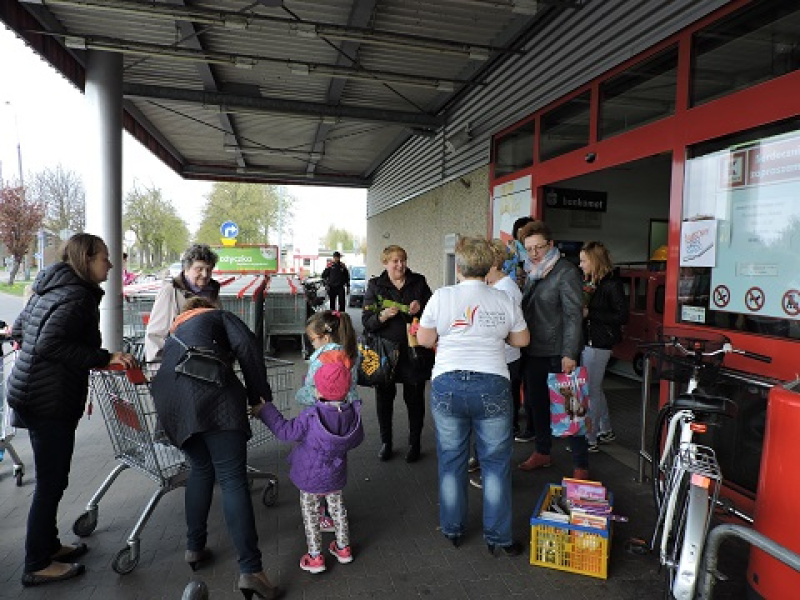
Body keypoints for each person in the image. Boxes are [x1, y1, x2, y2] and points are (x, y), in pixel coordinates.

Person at [7, 233, 137, 587]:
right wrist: (103, 357)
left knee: (52, 478)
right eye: (105, 257)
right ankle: (37, 563)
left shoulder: (49, 286)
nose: (111, 264)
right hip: (48, 400)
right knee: (51, 482)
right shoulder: (78, 296)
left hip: (30, 392)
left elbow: (20, 331)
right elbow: (49, 344)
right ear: (87, 259)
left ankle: (48, 545)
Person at [150, 297, 282, 600]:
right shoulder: (217, 316)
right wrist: (258, 396)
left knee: (199, 468)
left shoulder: (174, 332)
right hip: (213, 396)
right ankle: (252, 571)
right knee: (232, 478)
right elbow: (247, 344)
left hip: (171, 404)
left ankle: (194, 547)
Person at [416, 236, 529, 555]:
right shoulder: (502, 298)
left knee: (451, 460)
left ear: (459, 268)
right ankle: (499, 537)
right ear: (488, 266)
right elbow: (522, 340)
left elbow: (424, 339)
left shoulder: (442, 296)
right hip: (492, 383)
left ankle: (453, 529)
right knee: (495, 463)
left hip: (448, 383)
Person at [252, 354, 364, 574]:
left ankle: (315, 557)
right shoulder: (352, 414)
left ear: (319, 392)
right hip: (335, 474)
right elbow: (357, 439)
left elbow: (285, 432)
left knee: (311, 515)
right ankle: (343, 549)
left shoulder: (311, 416)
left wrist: (266, 410)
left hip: (310, 477)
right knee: (338, 509)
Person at [516, 220, 589, 479]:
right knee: (537, 406)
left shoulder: (565, 271)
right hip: (534, 350)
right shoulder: (531, 271)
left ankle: (580, 465)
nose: (534, 253)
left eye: (539, 247)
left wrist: (570, 353)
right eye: (529, 249)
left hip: (559, 352)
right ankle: (542, 452)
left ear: (551, 244)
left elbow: (573, 315)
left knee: (571, 409)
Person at [362, 244, 432, 463]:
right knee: (384, 399)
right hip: (385, 351)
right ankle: (386, 442)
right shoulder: (376, 285)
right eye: (395, 261)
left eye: (403, 260)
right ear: (385, 263)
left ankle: (414, 443)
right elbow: (367, 322)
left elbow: (433, 312)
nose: (400, 265)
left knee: (415, 400)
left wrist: (421, 307)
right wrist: (382, 316)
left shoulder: (418, 282)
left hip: (414, 351)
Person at [295, 309, 359, 534]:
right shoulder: (348, 354)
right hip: (343, 418)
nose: (311, 344)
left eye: (312, 339)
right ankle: (334, 512)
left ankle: (325, 514)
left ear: (324, 336)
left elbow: (313, 393)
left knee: (319, 465)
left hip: (321, 421)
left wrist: (301, 393)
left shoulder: (321, 360)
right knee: (335, 462)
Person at [579, 241, 628, 452]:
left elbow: (622, 316)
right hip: (592, 341)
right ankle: (605, 429)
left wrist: (590, 314)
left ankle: (589, 438)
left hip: (600, 343)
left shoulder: (611, 284)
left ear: (595, 261)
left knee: (591, 390)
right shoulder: (593, 282)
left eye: (583, 261)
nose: (580, 265)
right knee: (595, 388)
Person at [144, 244, 222, 362]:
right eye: (199, 269)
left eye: (209, 269)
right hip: (178, 364)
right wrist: (159, 366)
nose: (205, 274)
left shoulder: (212, 293)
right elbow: (156, 335)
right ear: (186, 269)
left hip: (207, 363)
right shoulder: (170, 292)